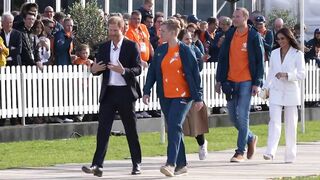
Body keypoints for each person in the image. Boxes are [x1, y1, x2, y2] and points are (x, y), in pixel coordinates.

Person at [81, 16, 142, 177]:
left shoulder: (131, 46)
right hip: (109, 93)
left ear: (122, 29)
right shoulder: (104, 47)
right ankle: (97, 165)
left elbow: (138, 69)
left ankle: (136, 163)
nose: (112, 33)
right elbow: (98, 69)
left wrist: (124, 71)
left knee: (131, 130)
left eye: (115, 30)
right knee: (103, 129)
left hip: (125, 93)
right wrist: (93, 70)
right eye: (110, 30)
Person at [143, 19, 203, 177]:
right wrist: (147, 90)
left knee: (174, 125)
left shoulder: (185, 50)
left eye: (162, 31)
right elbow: (153, 71)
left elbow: (195, 75)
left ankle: (171, 163)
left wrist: (199, 97)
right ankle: (182, 165)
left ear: (172, 33)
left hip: (183, 95)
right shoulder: (161, 50)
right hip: (166, 96)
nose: (159, 33)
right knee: (175, 127)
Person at [215, 7, 264, 162]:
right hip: (230, 81)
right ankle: (251, 137)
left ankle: (240, 151)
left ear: (245, 18)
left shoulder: (254, 36)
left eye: (237, 16)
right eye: (233, 16)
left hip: (246, 81)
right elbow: (222, 59)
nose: (234, 19)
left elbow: (260, 61)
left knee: (242, 116)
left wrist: (257, 82)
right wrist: (219, 80)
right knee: (232, 117)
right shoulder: (229, 34)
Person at [262, 27, 305, 163]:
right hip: (276, 91)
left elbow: (302, 74)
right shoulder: (274, 53)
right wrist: (265, 87)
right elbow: (271, 72)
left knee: (291, 125)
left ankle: (290, 155)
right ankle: (270, 151)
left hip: (291, 92)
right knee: (274, 122)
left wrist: (287, 75)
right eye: (278, 39)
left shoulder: (297, 53)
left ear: (289, 38)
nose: (280, 41)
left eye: (283, 38)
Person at [177, 29, 209, 160]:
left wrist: (200, 60)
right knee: (179, 123)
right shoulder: (176, 51)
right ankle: (179, 155)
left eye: (190, 39)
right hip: (178, 92)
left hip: (192, 91)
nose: (189, 42)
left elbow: (199, 69)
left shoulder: (194, 49)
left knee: (195, 123)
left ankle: (202, 143)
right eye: (186, 39)